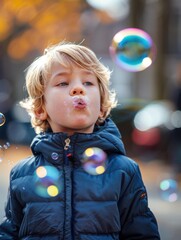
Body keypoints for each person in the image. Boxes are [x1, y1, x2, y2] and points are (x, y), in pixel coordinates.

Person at [0, 42, 160, 239]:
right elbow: (10, 231)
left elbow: (141, 234)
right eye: (63, 83)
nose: (78, 89)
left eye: (88, 83)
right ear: (41, 109)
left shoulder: (123, 171)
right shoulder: (21, 174)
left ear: (102, 106)